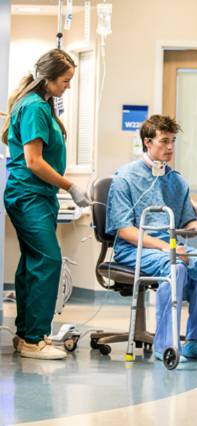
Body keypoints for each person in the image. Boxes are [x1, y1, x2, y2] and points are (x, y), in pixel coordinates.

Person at [106, 114, 197, 362]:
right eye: (164, 141)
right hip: (133, 248)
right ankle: (165, 345)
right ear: (148, 143)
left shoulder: (176, 181)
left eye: (173, 141)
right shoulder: (125, 178)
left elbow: (185, 223)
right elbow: (124, 230)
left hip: (170, 247)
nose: (170, 148)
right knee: (175, 266)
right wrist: (166, 246)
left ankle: (194, 341)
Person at [1, 49, 91, 360]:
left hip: (37, 195)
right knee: (48, 261)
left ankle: (27, 334)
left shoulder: (40, 105)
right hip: (29, 195)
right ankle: (33, 339)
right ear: (48, 79)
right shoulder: (35, 107)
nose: (68, 86)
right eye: (65, 81)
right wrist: (70, 186)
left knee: (32, 263)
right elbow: (34, 161)